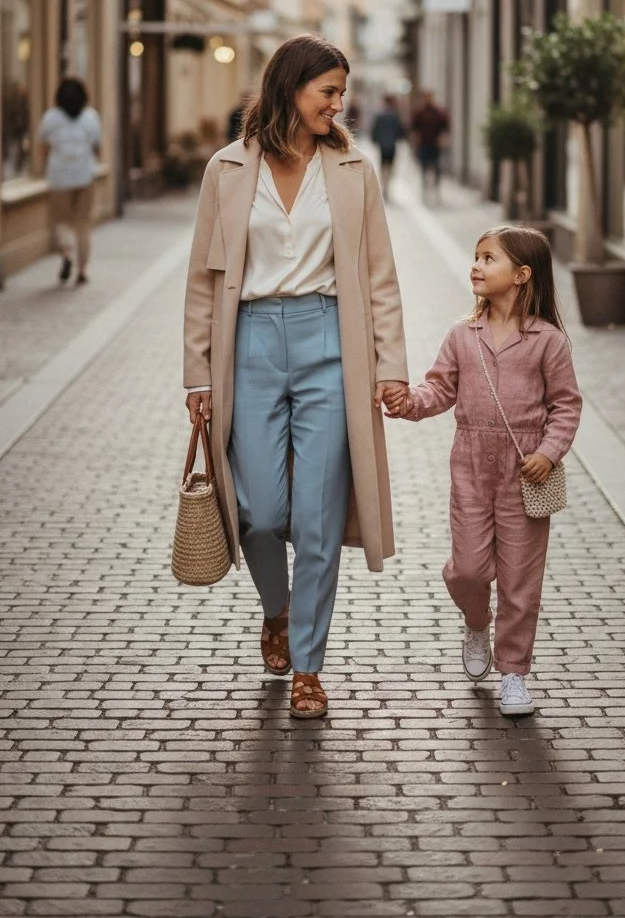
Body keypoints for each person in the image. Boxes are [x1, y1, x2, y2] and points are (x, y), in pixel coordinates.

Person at [183, 35, 409, 719]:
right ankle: (275, 612)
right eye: (329, 92)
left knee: (313, 517)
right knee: (258, 512)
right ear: (290, 89)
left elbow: (379, 277)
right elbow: (202, 278)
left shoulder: (352, 169)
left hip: (327, 342)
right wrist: (198, 374)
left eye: (341, 93)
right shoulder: (226, 168)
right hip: (248, 342)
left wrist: (390, 365)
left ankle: (308, 665)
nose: (339, 105)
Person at [386, 226, 581, 717]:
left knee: (520, 580)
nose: (476, 265)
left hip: (525, 474)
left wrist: (550, 452)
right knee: (470, 569)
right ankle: (477, 621)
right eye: (475, 257)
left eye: (488, 259)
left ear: (521, 275)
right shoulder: (461, 334)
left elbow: (566, 406)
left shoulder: (548, 342)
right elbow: (438, 389)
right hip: (471, 467)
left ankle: (513, 672)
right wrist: (406, 400)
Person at [38, 77, 102, 285]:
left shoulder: (51, 118)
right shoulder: (91, 117)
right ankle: (83, 269)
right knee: (82, 223)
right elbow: (97, 146)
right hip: (85, 175)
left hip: (59, 176)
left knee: (62, 221)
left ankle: (67, 252)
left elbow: (43, 146)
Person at [410, 91, 449, 201]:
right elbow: (414, 129)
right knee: (423, 167)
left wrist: (443, 140)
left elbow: (444, 127)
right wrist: (415, 143)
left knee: (436, 167)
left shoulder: (437, 112)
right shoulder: (419, 112)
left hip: (434, 144)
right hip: (423, 144)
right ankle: (425, 189)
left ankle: (436, 189)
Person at [370, 95, 406, 201]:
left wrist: (375, 140)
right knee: (390, 166)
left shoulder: (379, 115)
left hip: (382, 144)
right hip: (391, 145)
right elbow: (400, 130)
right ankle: (387, 185)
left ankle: (384, 184)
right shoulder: (395, 115)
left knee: (382, 165)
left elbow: (374, 129)